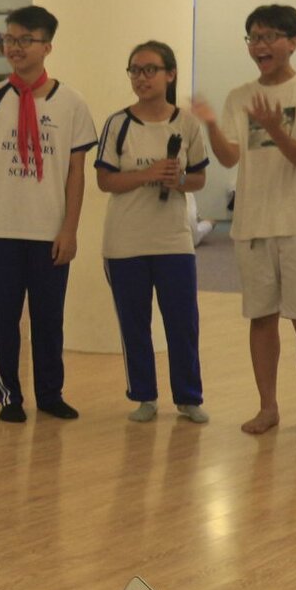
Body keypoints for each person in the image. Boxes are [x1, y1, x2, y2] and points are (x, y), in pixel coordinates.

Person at [194, 4, 296, 438]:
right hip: (252, 224)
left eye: (270, 36)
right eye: (254, 38)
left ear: (293, 42)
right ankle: (268, 407)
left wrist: (275, 128)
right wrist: (212, 126)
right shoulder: (239, 96)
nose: (260, 46)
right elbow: (229, 158)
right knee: (261, 319)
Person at [0, 5, 95, 423]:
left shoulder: (71, 103)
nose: (14, 48)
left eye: (25, 40)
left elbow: (76, 174)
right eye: (10, 39)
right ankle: (10, 396)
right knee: (4, 318)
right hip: (0, 231)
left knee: (49, 319)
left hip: (49, 232)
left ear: (47, 46)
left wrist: (70, 230)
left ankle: (50, 394)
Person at [95, 42, 210, 423]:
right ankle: (144, 395)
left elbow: (199, 178)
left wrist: (178, 180)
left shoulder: (187, 124)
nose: (141, 78)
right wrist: (148, 174)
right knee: (134, 324)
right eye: (135, 70)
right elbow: (105, 180)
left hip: (174, 240)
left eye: (150, 70)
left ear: (170, 74)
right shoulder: (118, 123)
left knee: (182, 322)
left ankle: (189, 397)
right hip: (125, 242)